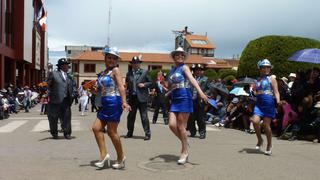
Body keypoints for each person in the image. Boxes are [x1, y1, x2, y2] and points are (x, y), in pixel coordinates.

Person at [167, 47, 208, 164]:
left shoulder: (184, 67)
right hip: (175, 99)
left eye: (182, 55)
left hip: (185, 98)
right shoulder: (172, 70)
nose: (180, 56)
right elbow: (170, 84)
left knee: (181, 126)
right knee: (171, 125)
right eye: (178, 55)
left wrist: (201, 92)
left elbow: (192, 80)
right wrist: (169, 89)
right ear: (174, 57)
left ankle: (184, 152)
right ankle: (184, 141)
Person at [91, 47, 130, 169]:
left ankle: (121, 157)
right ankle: (104, 155)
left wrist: (124, 102)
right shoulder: (103, 72)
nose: (111, 60)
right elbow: (101, 88)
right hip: (104, 102)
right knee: (96, 128)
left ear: (117, 60)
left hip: (114, 102)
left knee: (111, 132)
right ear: (105, 58)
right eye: (109, 57)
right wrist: (94, 89)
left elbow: (121, 87)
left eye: (114, 58)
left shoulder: (116, 70)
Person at [250, 59, 280, 155]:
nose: (266, 69)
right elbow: (256, 93)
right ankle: (260, 139)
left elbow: (276, 91)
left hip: (269, 104)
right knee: (255, 121)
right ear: (260, 69)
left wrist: (278, 101)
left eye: (268, 67)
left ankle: (269, 145)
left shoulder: (272, 79)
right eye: (264, 67)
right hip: (259, 104)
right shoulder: (257, 80)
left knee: (266, 125)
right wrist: (252, 91)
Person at [47, 58, 76, 140]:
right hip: (55, 100)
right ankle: (54, 133)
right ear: (61, 66)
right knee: (53, 117)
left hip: (66, 100)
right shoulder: (53, 74)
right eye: (65, 65)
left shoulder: (70, 76)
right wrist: (47, 93)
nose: (67, 66)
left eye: (67, 65)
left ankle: (67, 133)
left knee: (67, 117)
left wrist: (73, 94)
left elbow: (73, 86)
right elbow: (48, 85)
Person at [125, 56, 153, 140]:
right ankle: (130, 132)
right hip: (132, 98)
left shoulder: (145, 72)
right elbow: (127, 86)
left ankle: (147, 133)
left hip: (142, 97)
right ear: (132, 64)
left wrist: (144, 85)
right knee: (130, 116)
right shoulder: (128, 74)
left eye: (137, 63)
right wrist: (126, 98)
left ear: (139, 64)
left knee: (144, 116)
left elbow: (151, 82)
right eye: (134, 63)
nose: (135, 64)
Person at [187, 64, 210, 139]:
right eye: (196, 70)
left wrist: (204, 95)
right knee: (191, 118)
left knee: (201, 118)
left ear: (201, 71)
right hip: (191, 100)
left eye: (199, 70)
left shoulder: (205, 79)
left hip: (200, 101)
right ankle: (192, 131)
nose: (197, 71)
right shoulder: (190, 79)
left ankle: (202, 132)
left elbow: (209, 89)